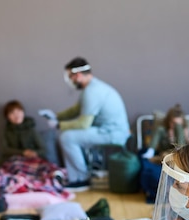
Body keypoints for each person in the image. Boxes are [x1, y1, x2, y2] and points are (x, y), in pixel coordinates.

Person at [40, 57, 130, 191]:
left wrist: (59, 125)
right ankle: (77, 176)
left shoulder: (92, 92)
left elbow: (83, 124)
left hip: (113, 134)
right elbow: (76, 110)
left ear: (78, 75)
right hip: (106, 130)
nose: (71, 81)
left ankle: (81, 179)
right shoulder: (91, 88)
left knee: (67, 137)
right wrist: (57, 116)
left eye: (70, 76)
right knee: (68, 135)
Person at [1, 99, 67, 192]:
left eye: (19, 111)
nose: (17, 115)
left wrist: (33, 153)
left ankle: (54, 178)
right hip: (16, 160)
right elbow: (5, 149)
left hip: (33, 160)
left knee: (46, 167)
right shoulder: (7, 131)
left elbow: (43, 149)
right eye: (12, 113)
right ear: (7, 117)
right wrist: (22, 152)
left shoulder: (31, 129)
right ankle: (24, 182)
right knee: (15, 166)